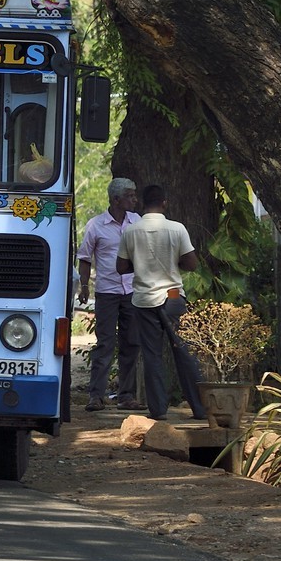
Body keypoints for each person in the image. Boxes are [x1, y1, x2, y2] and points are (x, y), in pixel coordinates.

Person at [116, 183, 206, 421]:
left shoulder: (131, 231)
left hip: (144, 298)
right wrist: (172, 262)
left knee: (152, 355)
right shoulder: (177, 229)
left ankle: (158, 410)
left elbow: (120, 267)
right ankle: (200, 408)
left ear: (143, 204)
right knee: (184, 352)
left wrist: (140, 264)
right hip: (173, 296)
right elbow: (192, 264)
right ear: (164, 203)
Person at [76, 178, 142, 412]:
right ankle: (96, 396)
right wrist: (84, 286)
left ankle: (126, 396)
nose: (134, 200)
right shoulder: (96, 225)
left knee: (131, 343)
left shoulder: (137, 222)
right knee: (104, 345)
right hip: (107, 292)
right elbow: (84, 258)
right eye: (130, 196)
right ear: (116, 200)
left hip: (133, 292)